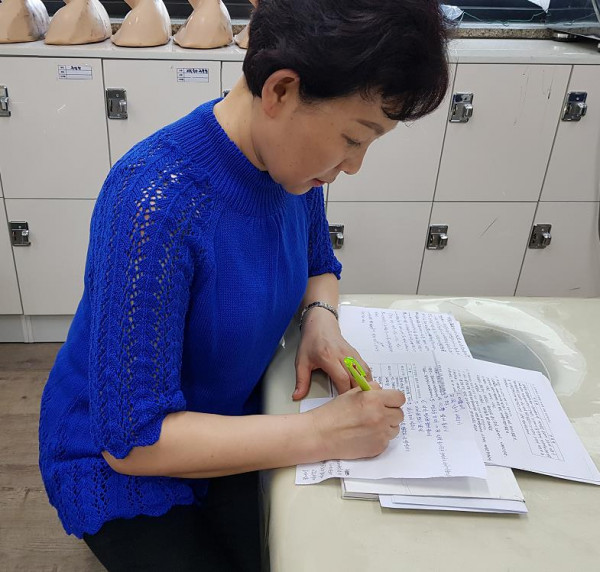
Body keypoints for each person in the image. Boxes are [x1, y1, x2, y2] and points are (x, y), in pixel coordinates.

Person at [38, 0, 450, 569]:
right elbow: (132, 441)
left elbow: (318, 262)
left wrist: (321, 321)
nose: (354, 165)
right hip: (120, 461)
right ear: (281, 90)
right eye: (355, 138)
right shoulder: (154, 201)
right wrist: (323, 434)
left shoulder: (291, 170)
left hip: (232, 420)